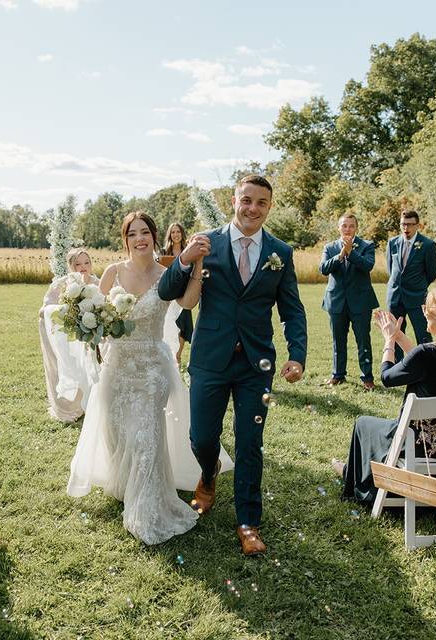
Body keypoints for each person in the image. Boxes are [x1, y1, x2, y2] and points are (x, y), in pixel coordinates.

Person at [159, 174, 307, 556]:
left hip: (255, 365)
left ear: (269, 207)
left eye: (261, 202)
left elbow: (291, 308)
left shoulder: (281, 253)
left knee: (249, 443)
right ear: (233, 200)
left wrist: (297, 353)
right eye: (246, 200)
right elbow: (168, 292)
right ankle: (208, 475)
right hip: (209, 358)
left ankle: (248, 523)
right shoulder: (207, 241)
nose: (252, 209)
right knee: (202, 438)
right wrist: (184, 258)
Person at [68, 212, 232, 546]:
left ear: (154, 236)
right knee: (119, 431)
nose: (139, 238)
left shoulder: (166, 274)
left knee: (145, 437)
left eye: (145, 232)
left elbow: (187, 302)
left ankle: (148, 506)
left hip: (152, 369)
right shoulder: (113, 272)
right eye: (133, 233)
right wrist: (91, 330)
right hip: (117, 365)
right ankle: (128, 486)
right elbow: (97, 313)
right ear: (125, 239)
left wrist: (198, 267)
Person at [335, 283, 436, 505]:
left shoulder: (427, 353)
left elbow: (388, 377)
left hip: (419, 448)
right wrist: (400, 337)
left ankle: (353, 480)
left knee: (364, 424)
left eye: (428, 316)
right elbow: (427, 365)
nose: (427, 326)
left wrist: (389, 342)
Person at [38, 248, 101, 422]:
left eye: (86, 263)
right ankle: (71, 407)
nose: (83, 267)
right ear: (70, 266)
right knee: (70, 367)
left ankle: (93, 402)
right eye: (78, 264)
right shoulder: (62, 284)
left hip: (91, 336)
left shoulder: (98, 283)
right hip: (67, 338)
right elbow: (43, 311)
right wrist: (64, 311)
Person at [319, 213, 379, 390]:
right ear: (339, 227)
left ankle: (367, 377)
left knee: (363, 340)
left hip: (360, 301)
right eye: (344, 225)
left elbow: (368, 265)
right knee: (338, 340)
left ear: (356, 228)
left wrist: (351, 252)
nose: (347, 229)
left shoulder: (367, 245)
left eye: (351, 226)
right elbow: (323, 269)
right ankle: (338, 375)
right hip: (336, 301)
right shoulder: (329, 247)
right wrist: (340, 255)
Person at [385, 210, 436, 361]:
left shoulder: (428, 245)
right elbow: (391, 269)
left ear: (418, 225)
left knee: (423, 335)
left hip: (417, 297)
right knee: (395, 334)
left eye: (409, 225)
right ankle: (397, 368)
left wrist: (418, 285)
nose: (405, 228)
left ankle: (428, 368)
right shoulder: (392, 243)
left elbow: (432, 273)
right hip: (395, 297)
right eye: (403, 224)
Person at [162, 222, 194, 364]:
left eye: (178, 232)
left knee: (183, 324)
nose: (175, 235)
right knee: (169, 324)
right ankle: (168, 354)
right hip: (169, 294)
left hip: (184, 293)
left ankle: (178, 355)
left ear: (182, 234)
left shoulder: (188, 250)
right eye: (173, 232)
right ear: (170, 235)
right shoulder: (164, 252)